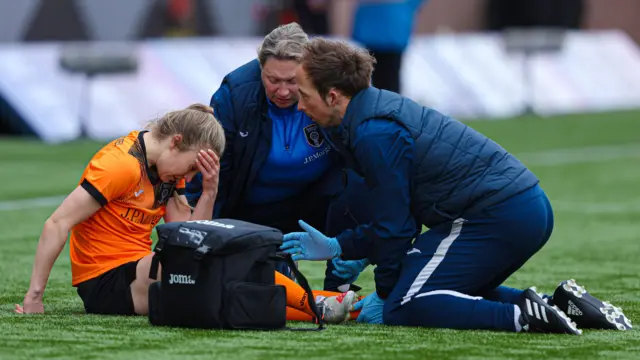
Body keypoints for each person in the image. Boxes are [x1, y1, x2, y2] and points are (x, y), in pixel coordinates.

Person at [280, 38, 632, 333]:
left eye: (305, 95)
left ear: (334, 96)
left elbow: (397, 228)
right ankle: (561, 305)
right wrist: (340, 246)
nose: (299, 106)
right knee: (429, 289)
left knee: (404, 304)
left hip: (499, 214)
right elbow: (395, 221)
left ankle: (523, 318)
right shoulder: (367, 117)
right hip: (511, 209)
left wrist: (386, 293)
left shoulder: (374, 132)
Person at [13, 103, 358, 323]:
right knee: (215, 273)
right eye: (192, 168)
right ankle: (320, 304)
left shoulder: (167, 170)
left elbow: (193, 235)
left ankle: (340, 305)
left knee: (222, 287)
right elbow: (57, 223)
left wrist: (209, 191)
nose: (188, 178)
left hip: (143, 268)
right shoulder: (120, 166)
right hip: (106, 283)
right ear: (176, 141)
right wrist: (34, 298)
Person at [185, 22, 371, 291]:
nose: (283, 92)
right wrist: (200, 240)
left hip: (314, 205)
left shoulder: (332, 89)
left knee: (359, 186)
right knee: (261, 288)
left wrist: (356, 242)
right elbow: (214, 173)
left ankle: (337, 287)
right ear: (261, 69)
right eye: (273, 80)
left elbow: (362, 161)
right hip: (250, 213)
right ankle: (274, 261)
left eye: (292, 82)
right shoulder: (235, 96)